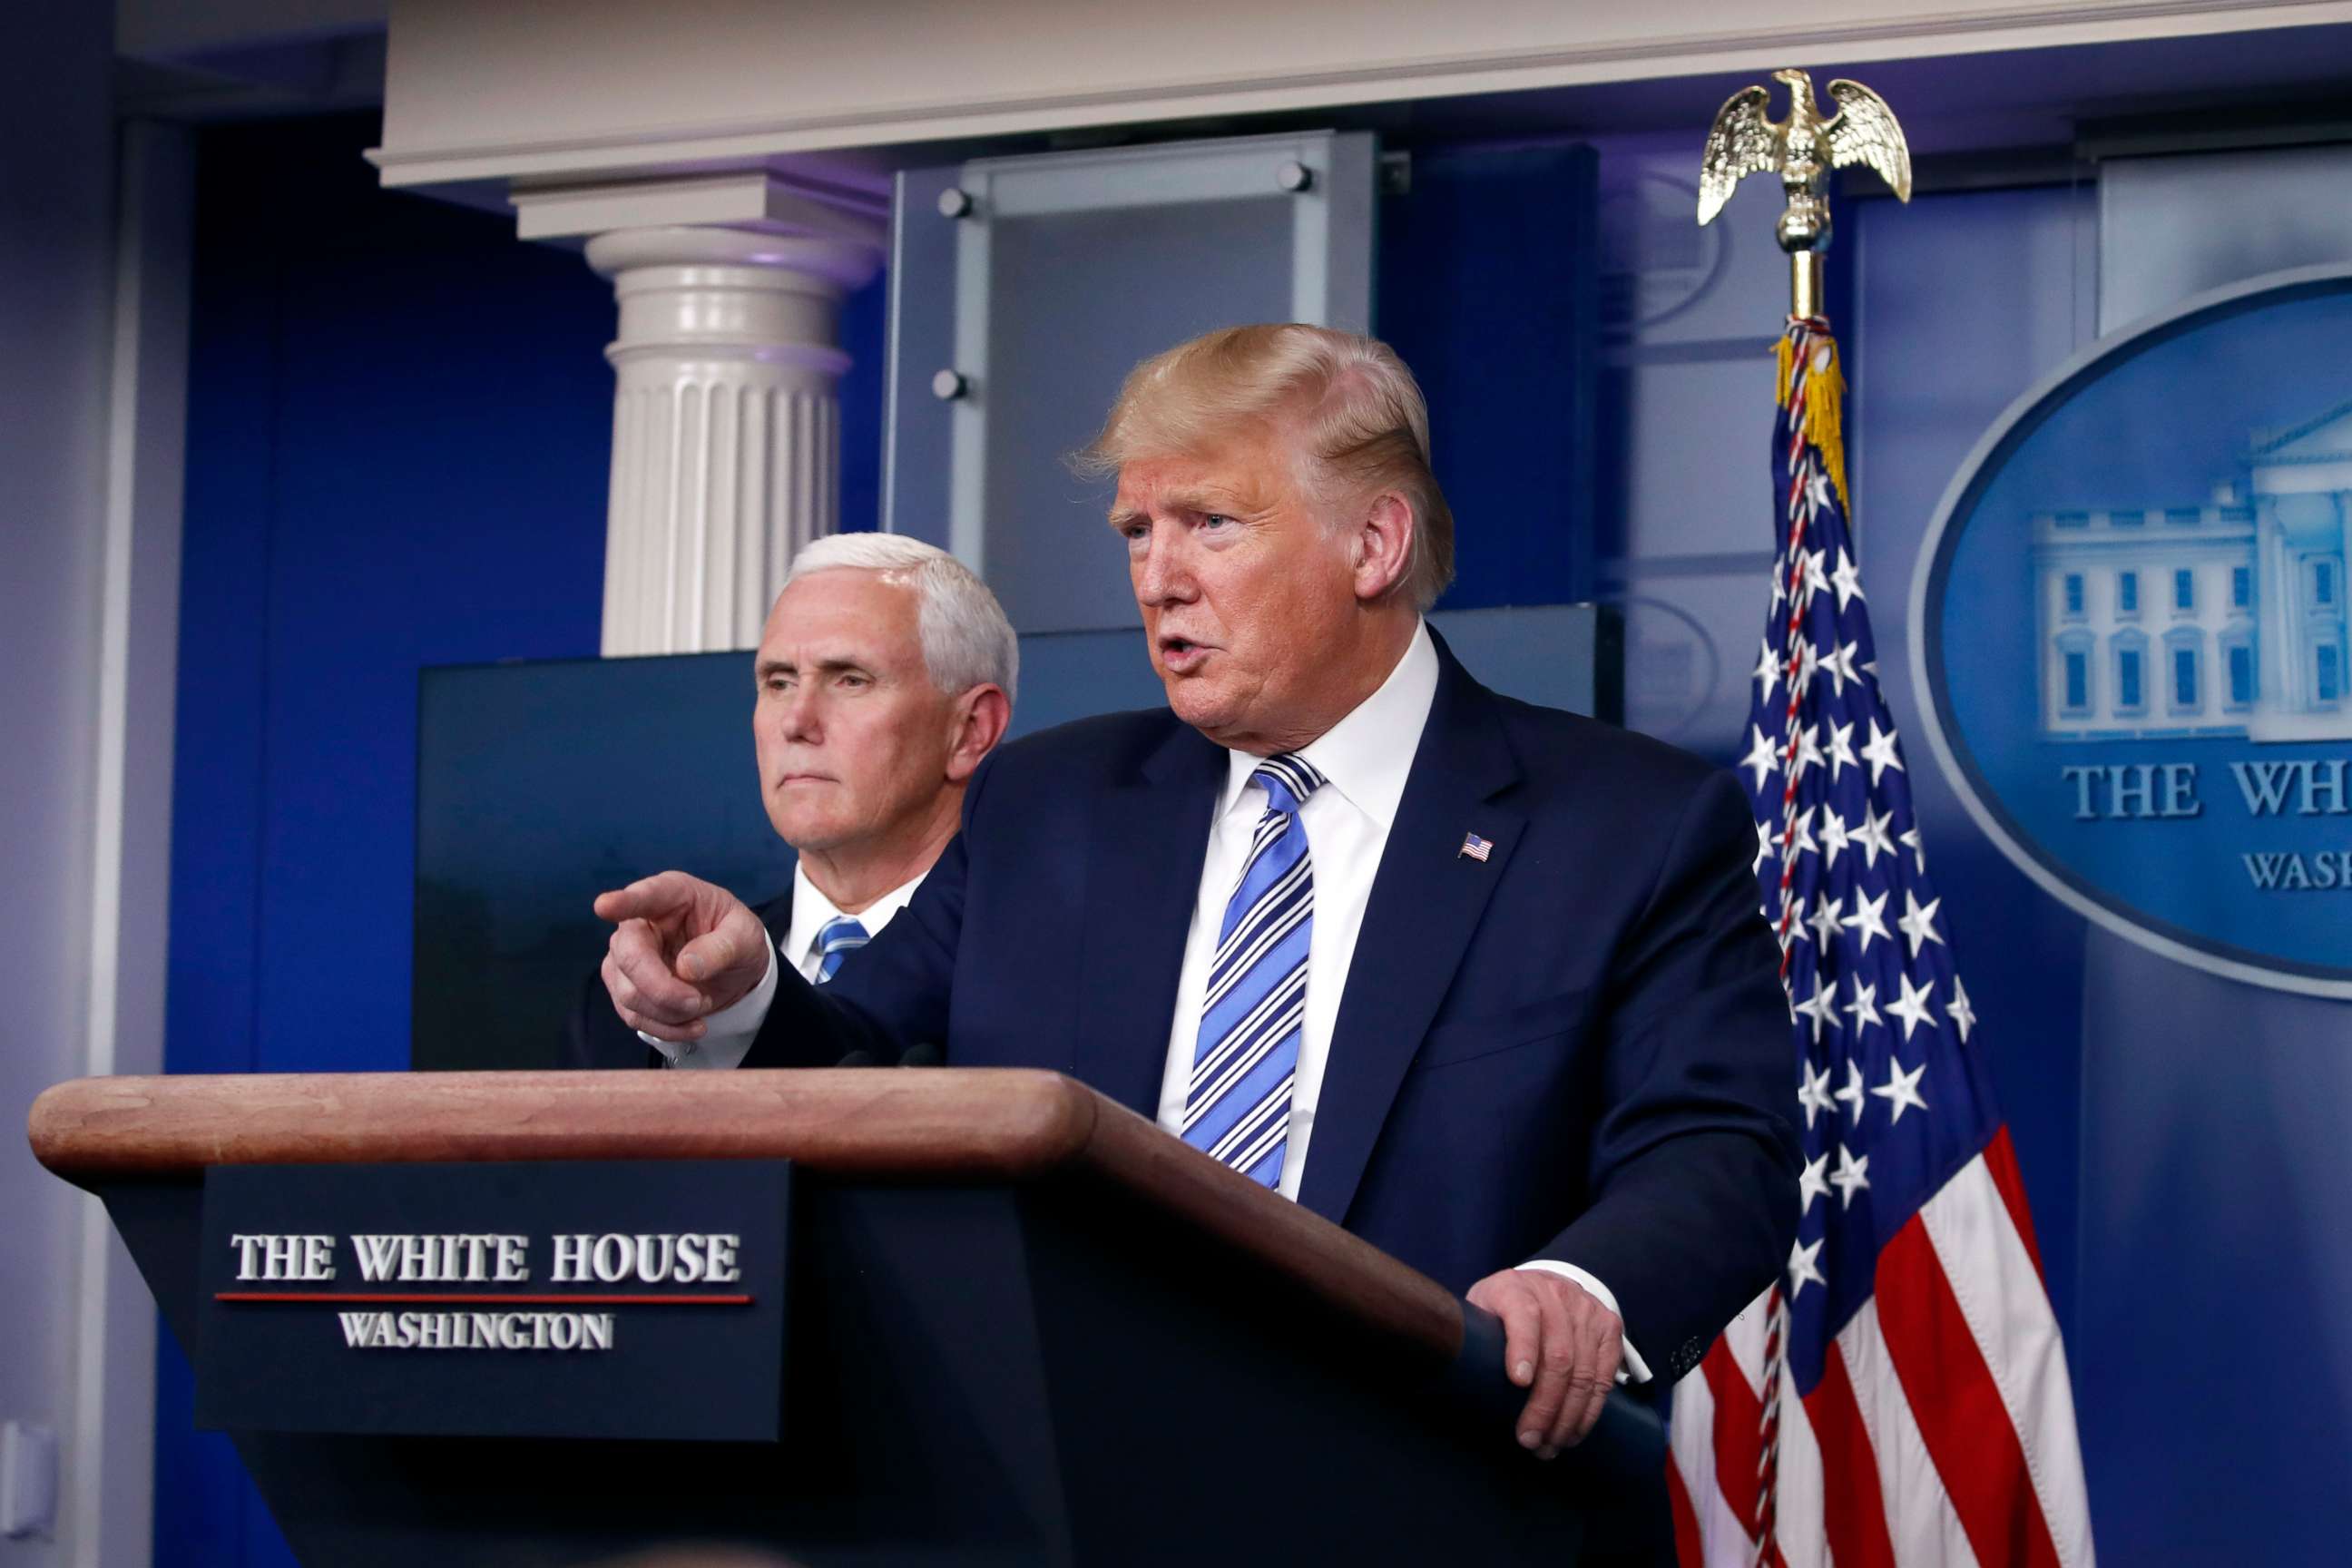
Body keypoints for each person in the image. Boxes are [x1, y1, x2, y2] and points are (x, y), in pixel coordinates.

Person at [595, 325, 1799, 1464]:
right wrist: (748, 994)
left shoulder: (1627, 825)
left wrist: (1583, 1289)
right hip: (1065, 1477)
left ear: (1371, 546)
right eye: (1137, 531)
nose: (1159, 579)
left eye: (1210, 524)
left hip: (1431, 1483)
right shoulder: (1047, 804)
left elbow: (1715, 1148)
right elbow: (859, 1065)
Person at [566, 533, 1014, 1069]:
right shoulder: (636, 998)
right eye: (778, 682)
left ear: (970, 732)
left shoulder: (1039, 974)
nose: (796, 722)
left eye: (851, 679)